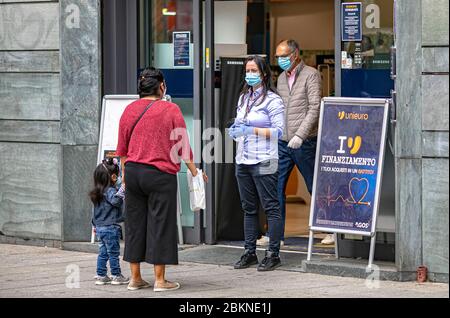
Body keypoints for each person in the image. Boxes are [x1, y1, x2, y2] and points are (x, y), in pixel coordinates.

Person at [116, 67, 207, 291]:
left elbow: (122, 149)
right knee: (161, 224)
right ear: (162, 86)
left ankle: (135, 278)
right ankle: (159, 280)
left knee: (135, 225)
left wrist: (126, 175)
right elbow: (183, 147)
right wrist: (195, 172)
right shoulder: (171, 109)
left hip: (134, 173)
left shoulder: (128, 110)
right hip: (160, 175)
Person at [228, 55, 285, 272]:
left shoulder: (273, 100)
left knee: (271, 206)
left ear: (263, 74)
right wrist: (235, 129)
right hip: (243, 158)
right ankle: (249, 252)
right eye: (247, 70)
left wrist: (251, 130)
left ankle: (273, 254)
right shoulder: (244, 98)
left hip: (265, 159)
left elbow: (279, 132)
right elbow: (240, 122)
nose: (249, 74)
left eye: (253, 71)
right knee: (248, 208)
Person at [269, 39, 323, 245]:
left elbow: (315, 108)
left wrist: (300, 135)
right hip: (283, 142)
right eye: (278, 57)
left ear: (295, 55)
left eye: (283, 56)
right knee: (276, 187)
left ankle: (328, 230)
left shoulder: (311, 75)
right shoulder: (282, 77)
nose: (280, 60)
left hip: (305, 142)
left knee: (314, 186)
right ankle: (276, 236)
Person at [89, 158, 129, 286]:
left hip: (100, 228)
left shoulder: (97, 193)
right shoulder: (110, 191)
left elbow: (94, 212)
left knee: (103, 253)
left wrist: (94, 225)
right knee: (113, 253)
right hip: (111, 227)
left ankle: (101, 275)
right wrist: (123, 188)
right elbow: (116, 201)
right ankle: (116, 275)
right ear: (112, 177)